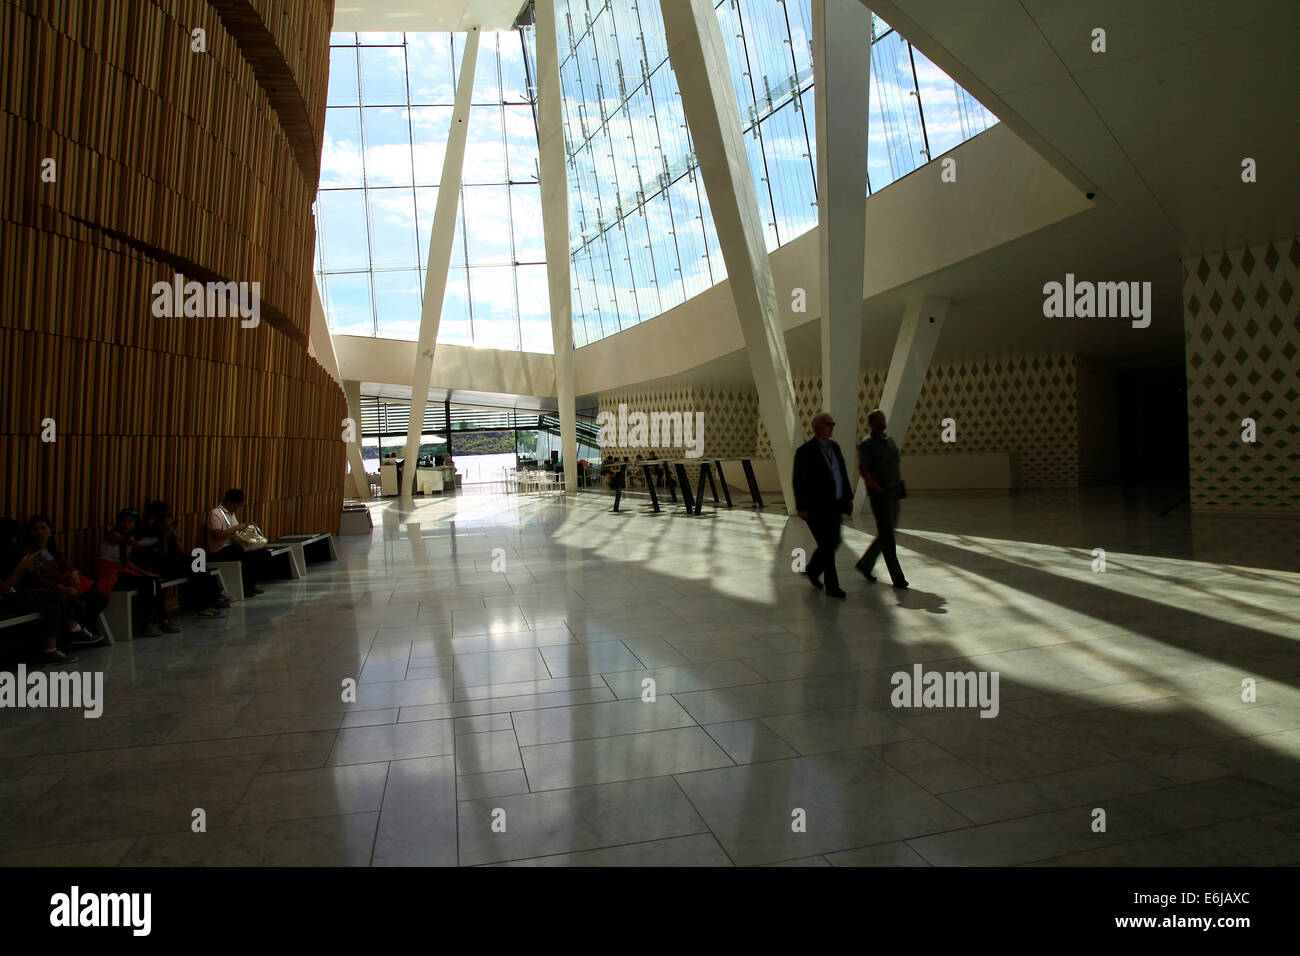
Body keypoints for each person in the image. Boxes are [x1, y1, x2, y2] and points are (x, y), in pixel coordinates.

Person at [1, 517, 102, 664]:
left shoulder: (50, 548)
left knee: (53, 604)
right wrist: (20, 570)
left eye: (43, 528)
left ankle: (51, 651)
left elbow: (65, 566)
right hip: (5, 600)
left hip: (14, 595)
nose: (15, 540)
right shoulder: (20, 552)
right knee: (55, 593)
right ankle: (74, 629)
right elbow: (2, 590)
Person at [792, 412, 854, 598]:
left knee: (834, 541)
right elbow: (798, 481)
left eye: (832, 423)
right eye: (829, 424)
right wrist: (801, 506)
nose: (832, 427)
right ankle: (832, 586)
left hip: (834, 504)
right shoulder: (805, 451)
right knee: (827, 545)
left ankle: (812, 569)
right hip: (815, 507)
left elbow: (841, 474)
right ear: (817, 426)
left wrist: (848, 498)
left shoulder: (835, 447)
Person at [135, 500, 229, 618]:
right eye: (164, 516)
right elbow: (161, 556)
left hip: (176, 562)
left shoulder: (168, 530)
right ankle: (209, 601)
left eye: (169, 516)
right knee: (195, 564)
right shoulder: (149, 532)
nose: (167, 519)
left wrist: (175, 536)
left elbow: (181, 550)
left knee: (197, 560)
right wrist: (164, 537)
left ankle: (213, 597)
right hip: (162, 566)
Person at [23, 514, 110, 636]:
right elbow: (37, 578)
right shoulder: (30, 553)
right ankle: (78, 632)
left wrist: (74, 572)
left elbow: (68, 566)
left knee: (100, 598)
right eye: (35, 529)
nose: (39, 532)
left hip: (66, 582)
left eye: (43, 528)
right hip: (51, 587)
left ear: (50, 530)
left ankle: (84, 627)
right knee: (76, 604)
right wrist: (62, 588)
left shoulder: (53, 549)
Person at [98, 508, 178, 636]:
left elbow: (128, 563)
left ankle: (163, 619)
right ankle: (147, 623)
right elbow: (127, 542)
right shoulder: (112, 535)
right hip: (110, 575)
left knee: (153, 580)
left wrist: (146, 573)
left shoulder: (130, 538)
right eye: (124, 521)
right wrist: (140, 542)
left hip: (123, 572)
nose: (126, 524)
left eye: (130, 522)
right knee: (146, 583)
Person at [856, 409, 909, 589]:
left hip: (894, 492)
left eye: (882, 420)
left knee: (887, 533)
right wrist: (878, 489)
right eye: (877, 420)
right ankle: (898, 578)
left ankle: (865, 564)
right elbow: (864, 470)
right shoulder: (867, 445)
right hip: (881, 496)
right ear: (870, 424)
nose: (881, 423)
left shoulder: (890, 441)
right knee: (887, 537)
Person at [207, 489, 271, 596]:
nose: (237, 508)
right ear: (229, 502)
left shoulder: (231, 514)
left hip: (233, 545)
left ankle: (252, 584)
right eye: (236, 505)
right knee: (251, 556)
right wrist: (237, 527)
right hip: (221, 550)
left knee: (263, 553)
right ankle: (245, 588)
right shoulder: (215, 514)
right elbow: (217, 536)